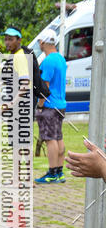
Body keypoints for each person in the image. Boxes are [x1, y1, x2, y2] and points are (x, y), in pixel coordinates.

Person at [34, 29, 67, 184]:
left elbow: (44, 87)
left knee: (50, 139)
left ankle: (52, 172)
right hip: (61, 104)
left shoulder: (47, 61)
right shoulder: (60, 58)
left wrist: (40, 106)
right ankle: (60, 171)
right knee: (58, 137)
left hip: (49, 106)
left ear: (43, 42)